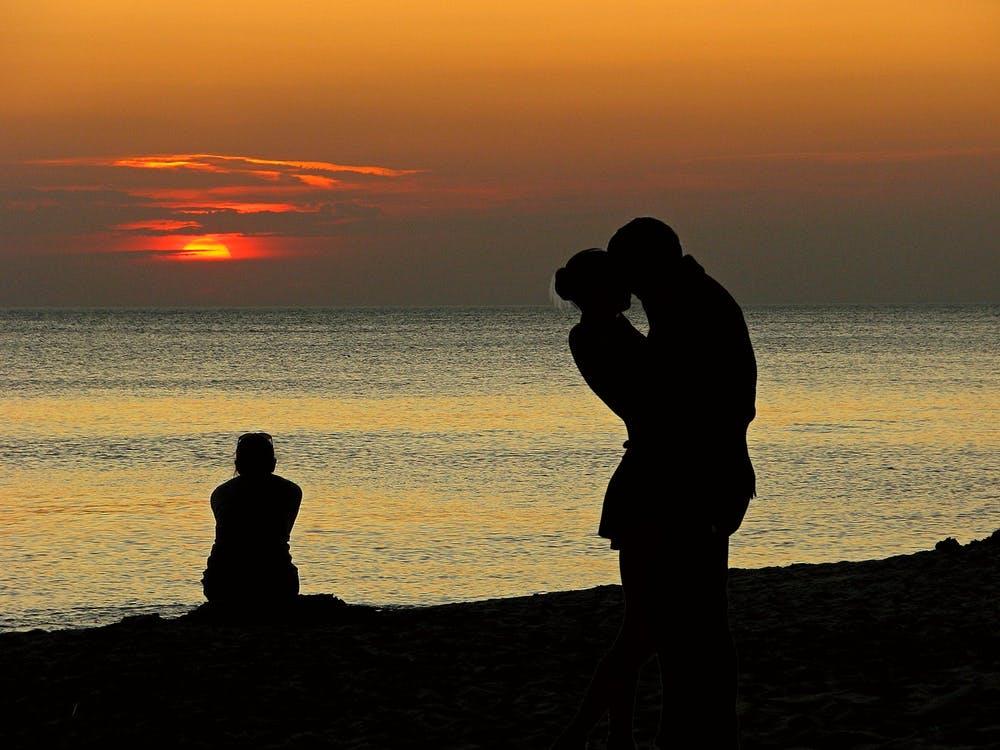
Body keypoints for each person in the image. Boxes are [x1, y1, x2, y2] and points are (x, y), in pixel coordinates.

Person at [607, 217, 756, 748]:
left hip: (701, 483)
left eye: (626, 270)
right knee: (692, 624)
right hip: (704, 479)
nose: (623, 283)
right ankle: (702, 734)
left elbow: (725, 405)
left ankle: (701, 736)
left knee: (693, 626)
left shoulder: (692, 306)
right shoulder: (683, 301)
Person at [552, 248, 659, 750]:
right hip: (647, 483)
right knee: (642, 628)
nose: (630, 289)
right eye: (618, 281)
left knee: (637, 625)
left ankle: (618, 737)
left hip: (643, 477)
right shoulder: (597, 335)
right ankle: (580, 735)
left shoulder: (603, 331)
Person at [201, 432, 303, 609]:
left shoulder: (220, 494)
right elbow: (281, 533)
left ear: (237, 464)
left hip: (222, 583)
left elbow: (228, 537)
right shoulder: (291, 492)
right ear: (273, 463)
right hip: (276, 582)